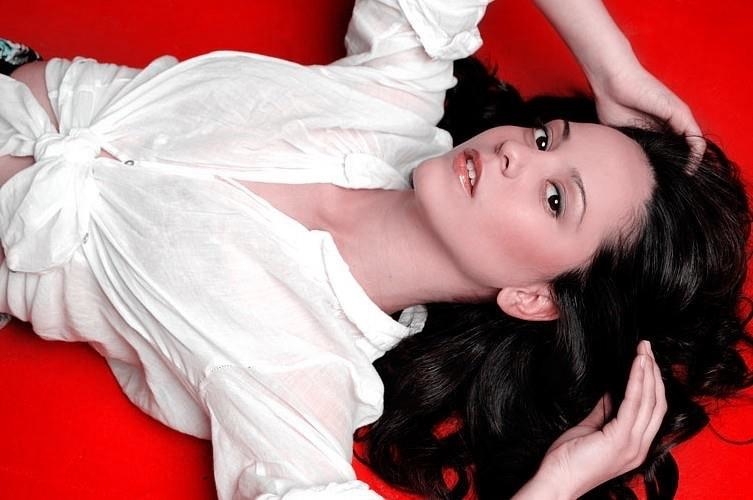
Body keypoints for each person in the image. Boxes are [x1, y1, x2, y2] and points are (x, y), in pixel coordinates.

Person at [0, 1, 749, 499]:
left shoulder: (305, 369)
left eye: (555, 199)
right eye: (547, 138)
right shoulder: (393, 98)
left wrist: (554, 489)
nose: (518, 153)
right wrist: (612, 64)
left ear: (533, 297)